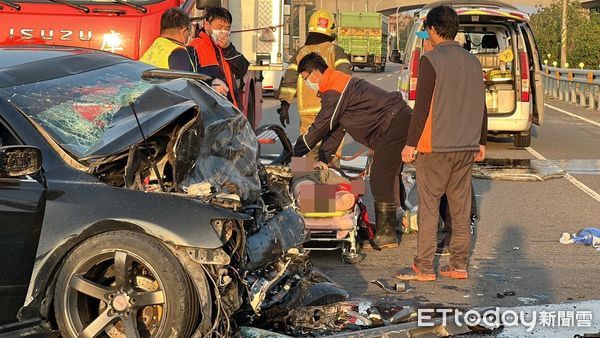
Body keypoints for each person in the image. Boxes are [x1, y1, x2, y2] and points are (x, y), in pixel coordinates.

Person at [397, 5, 487, 282]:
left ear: (434, 30)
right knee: (460, 208)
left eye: (427, 30)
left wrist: (410, 144)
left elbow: (422, 107)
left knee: (430, 206)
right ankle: (458, 264)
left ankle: (424, 267)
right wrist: (481, 142)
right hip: (466, 147)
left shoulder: (431, 60)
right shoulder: (473, 61)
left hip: (435, 147)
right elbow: (481, 106)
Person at [292, 52, 412, 249]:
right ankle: (395, 221)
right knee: (388, 174)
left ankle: (387, 233)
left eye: (306, 79)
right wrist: (323, 157)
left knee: (380, 177)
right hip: (396, 120)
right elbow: (336, 128)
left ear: (314, 73)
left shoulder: (334, 88)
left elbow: (322, 125)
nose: (307, 84)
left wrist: (297, 151)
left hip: (394, 123)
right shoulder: (337, 84)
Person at [276, 9, 352, 163]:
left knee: (308, 152)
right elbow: (345, 78)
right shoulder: (335, 51)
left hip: (308, 112)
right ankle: (329, 182)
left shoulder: (301, 52)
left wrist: (285, 104)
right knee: (331, 153)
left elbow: (290, 78)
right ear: (331, 30)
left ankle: (307, 183)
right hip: (333, 110)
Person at [190, 7, 250, 109]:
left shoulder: (226, 47)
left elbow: (242, 70)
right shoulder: (194, 47)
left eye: (227, 28)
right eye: (219, 27)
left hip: (230, 108)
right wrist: (211, 82)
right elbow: (190, 79)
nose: (223, 32)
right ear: (207, 25)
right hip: (209, 110)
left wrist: (228, 48)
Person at [140, 8, 197, 72]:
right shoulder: (178, 52)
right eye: (189, 32)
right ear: (184, 31)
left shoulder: (153, 48)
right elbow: (183, 80)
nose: (189, 35)